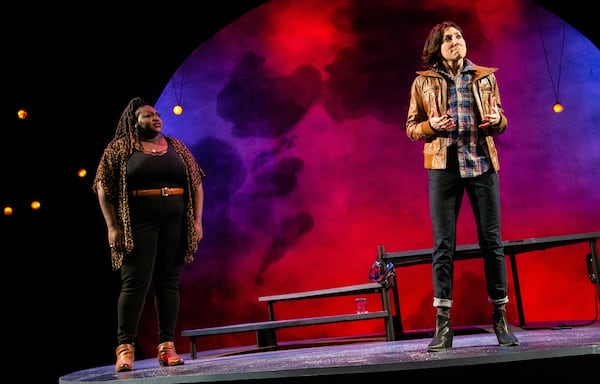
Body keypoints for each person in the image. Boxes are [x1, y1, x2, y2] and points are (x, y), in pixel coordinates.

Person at [405, 21, 519, 352]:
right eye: (448, 39)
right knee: (444, 246)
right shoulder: (423, 82)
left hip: (482, 165)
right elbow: (411, 127)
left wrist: (498, 121)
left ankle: (501, 320)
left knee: (492, 243)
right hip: (444, 168)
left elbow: (501, 119)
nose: (456, 42)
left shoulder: (485, 77)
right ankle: (443, 327)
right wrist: (430, 125)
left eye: (458, 37)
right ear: (437, 48)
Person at [93, 97, 206, 371]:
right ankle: (125, 349)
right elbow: (102, 188)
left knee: (168, 283)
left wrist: (197, 221)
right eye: (147, 115)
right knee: (135, 284)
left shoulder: (176, 147)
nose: (156, 118)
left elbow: (196, 184)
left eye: (157, 114)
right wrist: (112, 226)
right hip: (139, 223)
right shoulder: (120, 149)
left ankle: (167, 347)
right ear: (134, 121)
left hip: (175, 222)